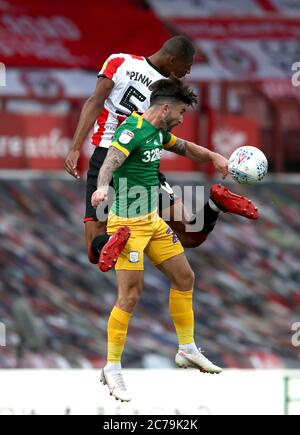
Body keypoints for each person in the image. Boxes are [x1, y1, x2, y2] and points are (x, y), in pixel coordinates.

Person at [91, 76, 242, 402]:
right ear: (166, 107)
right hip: (127, 226)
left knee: (185, 277)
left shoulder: (158, 133)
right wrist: (103, 185)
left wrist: (215, 157)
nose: (182, 118)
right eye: (182, 112)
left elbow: (187, 148)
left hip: (152, 221)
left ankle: (186, 348)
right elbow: (110, 161)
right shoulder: (131, 130)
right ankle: (111, 368)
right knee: (131, 295)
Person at [64, 36, 259, 271]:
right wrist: (212, 155)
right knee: (191, 234)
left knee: (96, 248)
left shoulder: (119, 61)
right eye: (185, 68)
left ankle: (119, 239)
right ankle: (215, 204)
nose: (185, 73)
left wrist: (75, 147)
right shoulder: (166, 92)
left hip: (108, 154)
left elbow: (95, 101)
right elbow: (169, 137)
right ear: (173, 59)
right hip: (143, 161)